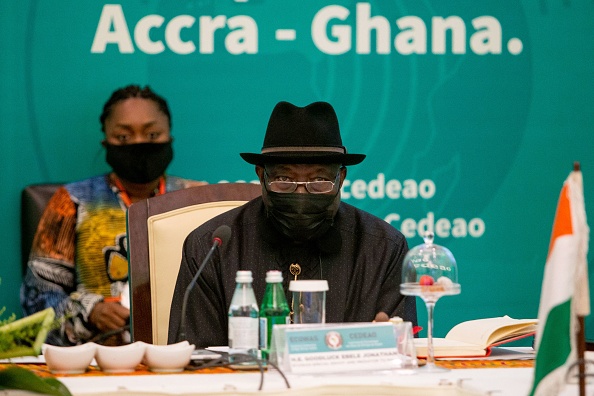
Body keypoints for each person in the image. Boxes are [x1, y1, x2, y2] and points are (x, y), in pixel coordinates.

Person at [168, 101, 417, 347]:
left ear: (340, 178)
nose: (300, 194)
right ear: (261, 176)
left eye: (319, 179)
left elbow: (401, 354)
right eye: (284, 179)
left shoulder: (383, 248)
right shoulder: (212, 247)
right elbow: (196, 358)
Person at [21, 84, 204, 346]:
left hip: (182, 354)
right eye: (124, 138)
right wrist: (90, 312)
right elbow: (37, 297)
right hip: (95, 360)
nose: (139, 144)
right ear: (106, 141)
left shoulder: (198, 200)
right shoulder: (72, 201)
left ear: (169, 136)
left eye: (152, 135)